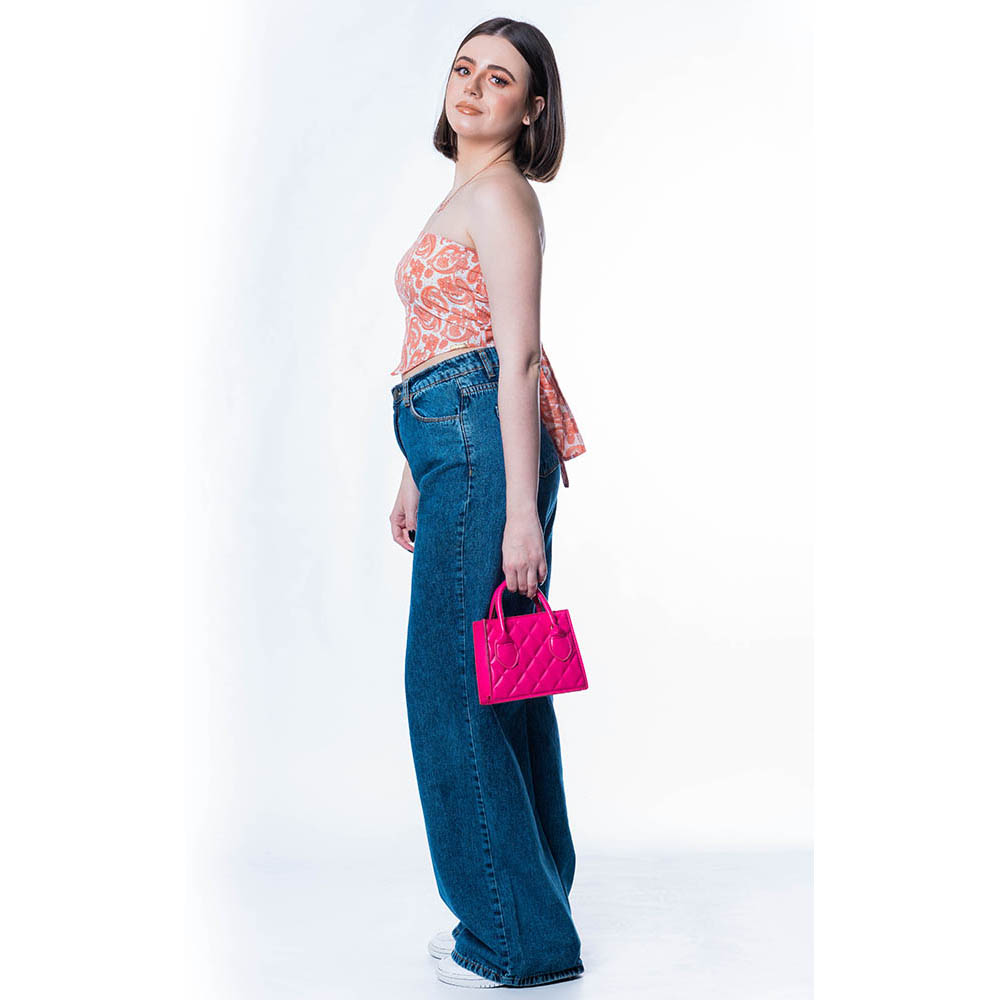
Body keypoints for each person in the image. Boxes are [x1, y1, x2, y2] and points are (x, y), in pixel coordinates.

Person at [388, 18, 587, 989]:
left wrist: (516, 513)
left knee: (450, 687)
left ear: (531, 107)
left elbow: (516, 358)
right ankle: (528, 912)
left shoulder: (502, 195)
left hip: (480, 449)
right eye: (463, 68)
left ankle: (511, 939)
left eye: (498, 78)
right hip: (453, 449)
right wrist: (412, 470)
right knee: (501, 682)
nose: (471, 87)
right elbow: (443, 333)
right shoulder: (464, 192)